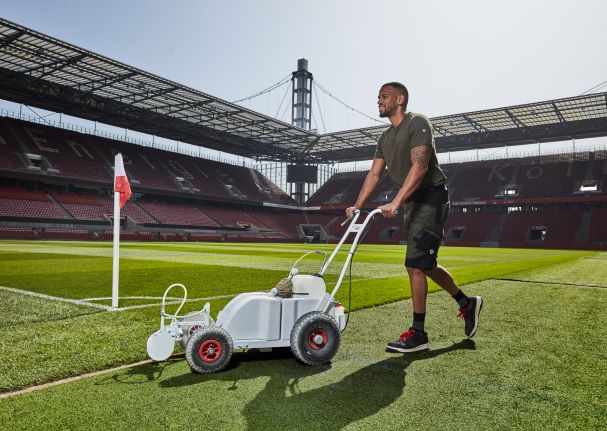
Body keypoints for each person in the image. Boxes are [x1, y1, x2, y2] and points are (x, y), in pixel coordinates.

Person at [345, 82, 483, 352]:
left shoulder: (417, 123)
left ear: (400, 98)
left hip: (431, 196)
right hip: (411, 202)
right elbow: (374, 174)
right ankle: (467, 304)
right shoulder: (384, 138)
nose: (378, 101)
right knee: (424, 263)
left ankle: (418, 334)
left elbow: (420, 165)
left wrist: (396, 201)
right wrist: (357, 205)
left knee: (415, 264)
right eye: (378, 97)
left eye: (384, 96)